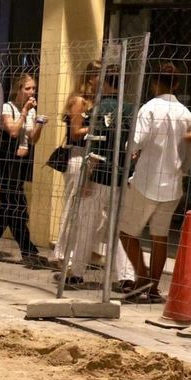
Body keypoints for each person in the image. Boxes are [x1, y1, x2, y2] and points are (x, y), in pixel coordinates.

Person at [117, 63, 191, 302]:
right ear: (177, 84)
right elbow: (189, 151)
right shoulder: (186, 113)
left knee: (127, 232)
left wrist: (133, 152)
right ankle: (153, 288)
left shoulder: (149, 108)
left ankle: (142, 276)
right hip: (173, 183)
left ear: (154, 83)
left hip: (146, 181)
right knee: (160, 236)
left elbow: (135, 142)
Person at [61, 65, 137, 289]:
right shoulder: (131, 110)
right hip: (121, 177)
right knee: (119, 229)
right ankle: (126, 276)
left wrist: (85, 180)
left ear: (105, 82)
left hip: (98, 177)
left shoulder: (98, 110)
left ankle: (76, 271)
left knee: (86, 225)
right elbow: (134, 147)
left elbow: (92, 148)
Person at [0, 73, 45, 264]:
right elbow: (14, 132)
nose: (32, 92)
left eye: (33, 88)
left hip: (22, 164)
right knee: (16, 206)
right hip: (6, 162)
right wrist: (24, 111)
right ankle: (27, 249)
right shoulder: (7, 107)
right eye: (28, 88)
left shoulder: (31, 111)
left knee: (10, 206)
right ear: (18, 89)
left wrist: (39, 124)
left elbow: (32, 138)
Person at [49, 64, 97, 270]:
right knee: (73, 206)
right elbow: (75, 132)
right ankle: (62, 253)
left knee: (86, 208)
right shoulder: (79, 101)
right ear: (90, 77)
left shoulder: (96, 101)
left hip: (91, 156)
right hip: (77, 156)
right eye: (99, 76)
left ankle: (79, 251)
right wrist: (96, 128)